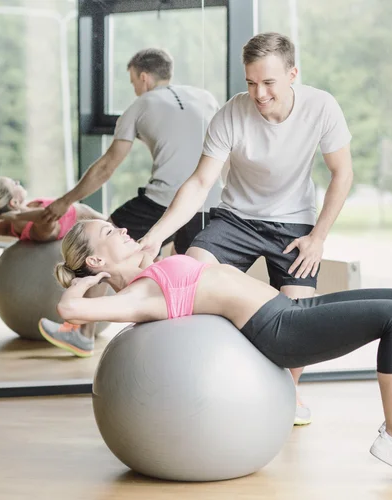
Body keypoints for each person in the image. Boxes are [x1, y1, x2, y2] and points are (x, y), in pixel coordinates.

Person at [41, 219, 392, 483]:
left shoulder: (149, 269)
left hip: (287, 308)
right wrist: (81, 281)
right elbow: (69, 308)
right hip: (279, 329)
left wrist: (112, 260)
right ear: (95, 258)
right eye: (109, 233)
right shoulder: (138, 295)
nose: (121, 229)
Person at [138, 33, 354, 425]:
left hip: (294, 223)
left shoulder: (321, 106)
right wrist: (156, 234)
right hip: (235, 217)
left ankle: (287, 393)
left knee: (297, 315)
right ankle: (194, 383)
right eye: (251, 83)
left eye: (269, 83)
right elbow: (200, 183)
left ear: (292, 74)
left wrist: (318, 237)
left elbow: (342, 173)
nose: (259, 94)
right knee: (190, 273)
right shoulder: (230, 113)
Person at [38, 47, 223, 343]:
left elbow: (106, 167)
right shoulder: (206, 97)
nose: (135, 88)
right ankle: (189, 344)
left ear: (145, 77)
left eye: (133, 81)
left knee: (98, 244)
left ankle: (80, 332)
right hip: (210, 201)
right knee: (186, 276)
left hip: (163, 200)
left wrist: (65, 201)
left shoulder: (140, 105)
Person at [0, 176, 103, 242]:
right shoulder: (36, 228)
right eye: (14, 184)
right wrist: (15, 216)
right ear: (14, 202)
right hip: (98, 227)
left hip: (96, 219)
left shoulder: (7, 224)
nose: (18, 182)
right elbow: (46, 216)